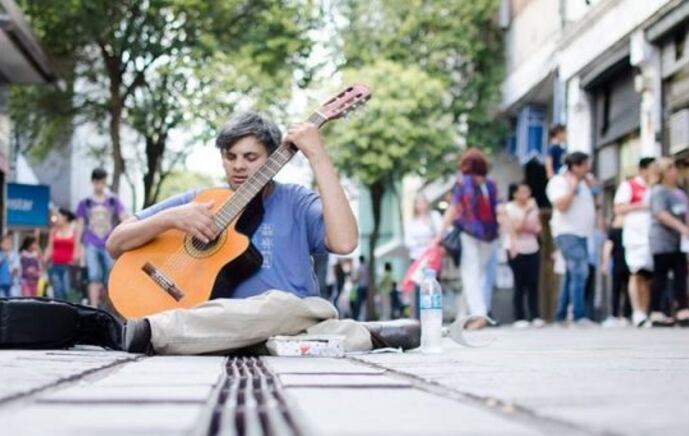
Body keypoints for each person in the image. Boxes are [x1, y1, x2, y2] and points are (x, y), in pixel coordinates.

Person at [105, 111, 418, 355]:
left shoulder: (295, 200)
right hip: (225, 326)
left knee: (284, 306)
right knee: (330, 337)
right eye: (231, 156)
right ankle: (365, 335)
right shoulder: (201, 202)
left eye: (250, 157)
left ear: (271, 160)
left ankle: (153, 332)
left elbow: (345, 242)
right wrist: (170, 219)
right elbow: (115, 243)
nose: (238, 166)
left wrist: (318, 156)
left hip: (291, 317)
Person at [439, 148, 499, 329]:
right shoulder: (491, 184)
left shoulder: (463, 183)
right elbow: (499, 209)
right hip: (490, 236)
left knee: (470, 275)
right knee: (476, 275)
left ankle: (480, 315)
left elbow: (454, 209)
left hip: (470, 233)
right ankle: (462, 316)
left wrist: (439, 234)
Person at [648, 157, 689, 327]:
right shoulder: (659, 191)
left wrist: (686, 230)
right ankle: (656, 312)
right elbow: (660, 213)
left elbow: (684, 213)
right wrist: (681, 227)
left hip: (678, 241)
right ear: (662, 173)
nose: (675, 171)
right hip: (662, 240)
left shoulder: (678, 192)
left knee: (681, 274)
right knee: (660, 276)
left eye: (674, 168)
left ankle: (683, 310)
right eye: (670, 168)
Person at [546, 152, 596, 325]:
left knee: (571, 274)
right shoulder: (560, 181)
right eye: (585, 165)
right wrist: (573, 187)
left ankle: (561, 315)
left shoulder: (584, 183)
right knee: (580, 272)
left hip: (582, 234)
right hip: (567, 233)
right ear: (575, 166)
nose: (588, 169)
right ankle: (578, 314)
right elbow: (561, 206)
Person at [614, 157, 658, 327]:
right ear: (643, 169)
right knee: (636, 273)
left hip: (652, 236)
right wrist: (641, 205)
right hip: (635, 236)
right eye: (652, 168)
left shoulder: (655, 187)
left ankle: (645, 312)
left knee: (648, 277)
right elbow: (618, 208)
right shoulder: (629, 186)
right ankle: (637, 311)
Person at [75, 168, 126, 307]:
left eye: (102, 182)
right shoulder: (85, 203)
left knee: (110, 276)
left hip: (109, 243)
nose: (100, 185)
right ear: (93, 182)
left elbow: (124, 219)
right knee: (93, 275)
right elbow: (79, 226)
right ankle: (94, 306)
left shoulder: (113, 201)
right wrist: (77, 249)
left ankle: (111, 307)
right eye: (97, 181)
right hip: (91, 243)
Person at [499, 182, 543, 327]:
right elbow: (516, 228)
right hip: (515, 249)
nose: (526, 194)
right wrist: (526, 213)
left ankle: (535, 315)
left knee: (533, 283)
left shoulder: (533, 207)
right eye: (523, 192)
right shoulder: (508, 208)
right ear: (515, 194)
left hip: (532, 247)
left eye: (527, 191)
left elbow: (537, 228)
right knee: (519, 283)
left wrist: (529, 221)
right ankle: (519, 317)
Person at [404, 194, 440, 317]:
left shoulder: (434, 217)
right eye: (418, 202)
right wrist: (423, 243)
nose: (421, 205)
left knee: (433, 287)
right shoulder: (412, 222)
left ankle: (435, 314)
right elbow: (408, 241)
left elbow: (441, 233)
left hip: (432, 258)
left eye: (423, 202)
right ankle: (420, 317)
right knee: (420, 288)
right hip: (418, 259)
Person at [602, 199, 632, 327]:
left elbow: (608, 246)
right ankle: (623, 315)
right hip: (626, 262)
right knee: (624, 290)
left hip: (622, 263)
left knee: (618, 290)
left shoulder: (616, 228)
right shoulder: (624, 227)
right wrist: (606, 262)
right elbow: (608, 246)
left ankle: (617, 315)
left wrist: (605, 262)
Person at [45, 207, 78, 301]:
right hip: (55, 265)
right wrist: (44, 260)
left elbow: (78, 248)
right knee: (57, 291)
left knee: (67, 291)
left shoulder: (74, 231)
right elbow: (49, 248)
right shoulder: (53, 231)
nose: (56, 219)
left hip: (69, 266)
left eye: (58, 216)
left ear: (65, 217)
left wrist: (78, 261)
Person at [0, 232, 20, 298]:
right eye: (5, 243)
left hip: (12, 282)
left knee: (13, 298)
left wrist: (15, 270)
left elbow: (17, 267)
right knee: (1, 298)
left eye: (9, 243)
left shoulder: (14, 254)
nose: (7, 245)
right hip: (1, 281)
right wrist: (3, 256)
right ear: (0, 245)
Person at [350, 255, 370, 320]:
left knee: (359, 303)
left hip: (361, 287)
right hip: (366, 287)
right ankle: (364, 316)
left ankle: (357, 317)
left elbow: (357, 278)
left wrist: (353, 280)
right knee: (364, 303)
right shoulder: (367, 267)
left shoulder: (360, 267)